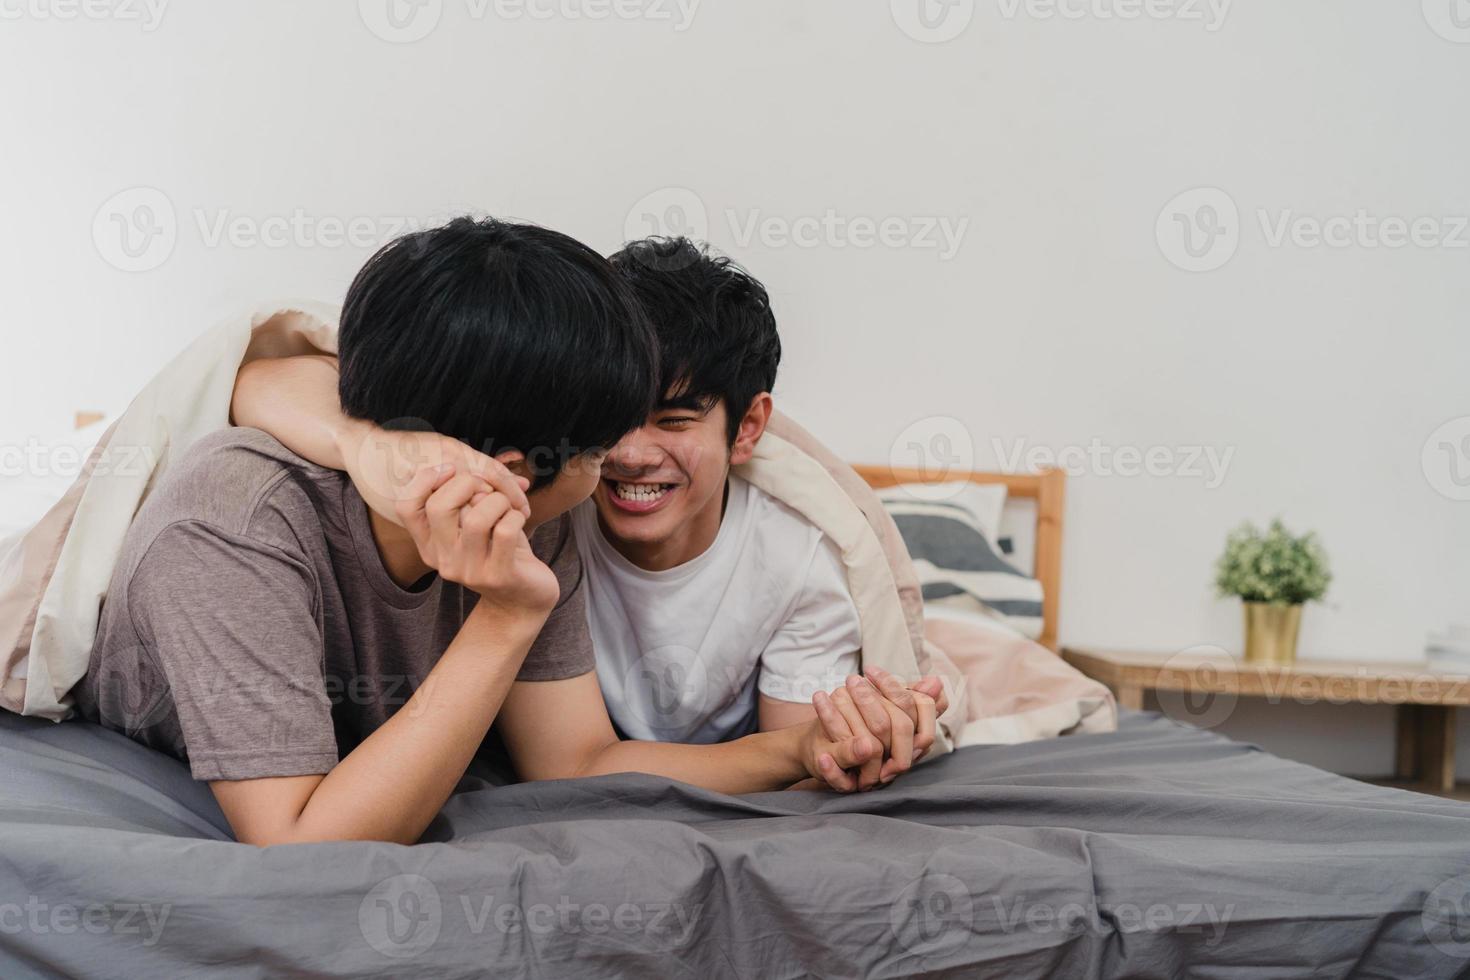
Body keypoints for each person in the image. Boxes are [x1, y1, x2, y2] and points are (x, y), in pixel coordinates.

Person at [75, 218, 894, 848]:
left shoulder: (539, 516)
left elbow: (574, 764)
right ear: (513, 467)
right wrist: (507, 617)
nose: (618, 466)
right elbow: (299, 843)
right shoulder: (235, 525)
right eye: (602, 447)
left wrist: (798, 750)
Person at [232, 235, 946, 802]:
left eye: (672, 421)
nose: (627, 456)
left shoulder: (796, 560)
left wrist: (840, 742)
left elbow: (799, 768)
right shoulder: (540, 503)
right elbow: (260, 371)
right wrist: (367, 445)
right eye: (613, 424)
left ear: (749, 426)